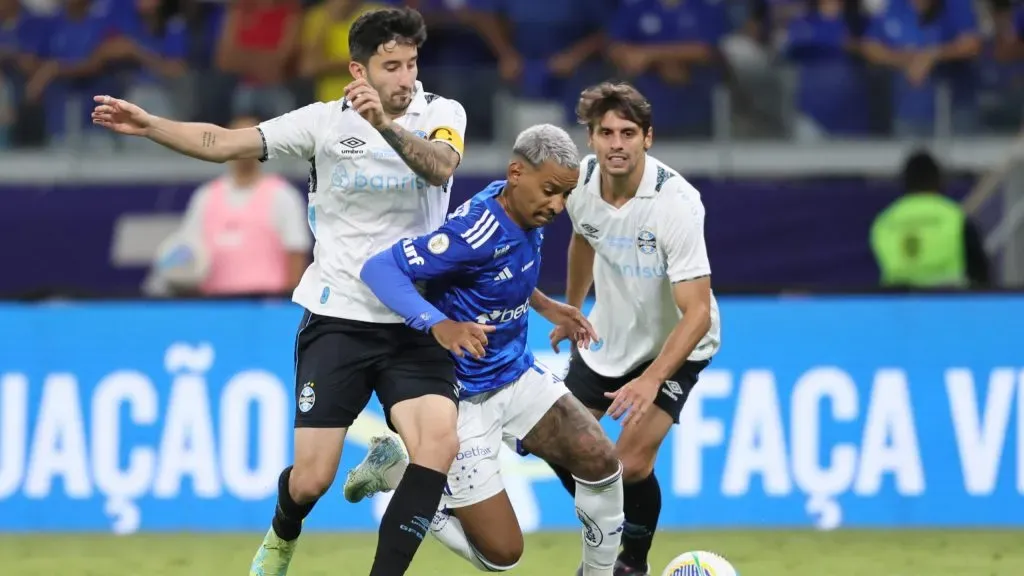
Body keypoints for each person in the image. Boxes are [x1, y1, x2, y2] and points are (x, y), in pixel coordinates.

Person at [92, 7, 469, 576]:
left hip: (417, 319)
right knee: (312, 478)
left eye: (410, 64)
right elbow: (222, 141)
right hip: (338, 317)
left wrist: (387, 127)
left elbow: (441, 168)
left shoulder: (440, 112)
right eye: (390, 66)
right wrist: (151, 125)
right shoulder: (321, 122)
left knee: (438, 447)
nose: (404, 78)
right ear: (358, 71)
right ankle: (283, 532)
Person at [349, 124, 627, 576]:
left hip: (515, 373)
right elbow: (380, 269)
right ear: (517, 172)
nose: (557, 206)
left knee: (600, 458)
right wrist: (438, 324)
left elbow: (502, 269)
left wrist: (545, 305)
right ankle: (399, 472)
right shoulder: (472, 231)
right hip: (461, 396)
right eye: (551, 191)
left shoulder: (524, 210)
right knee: (503, 556)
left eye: (565, 196)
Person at [553, 82, 722, 576]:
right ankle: (611, 537)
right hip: (608, 337)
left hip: (677, 346)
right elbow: (583, 239)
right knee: (556, 442)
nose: (616, 143)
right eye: (606, 133)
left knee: (627, 466)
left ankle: (630, 562)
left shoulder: (677, 203)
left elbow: (697, 313)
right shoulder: (580, 185)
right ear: (590, 139)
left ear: (648, 138)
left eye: (628, 132)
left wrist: (651, 381)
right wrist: (572, 307)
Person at [870, 149, 990, 288]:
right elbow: (981, 276)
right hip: (946, 302)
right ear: (939, 180)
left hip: (900, 305)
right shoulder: (955, 218)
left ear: (905, 182)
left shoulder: (885, 221)